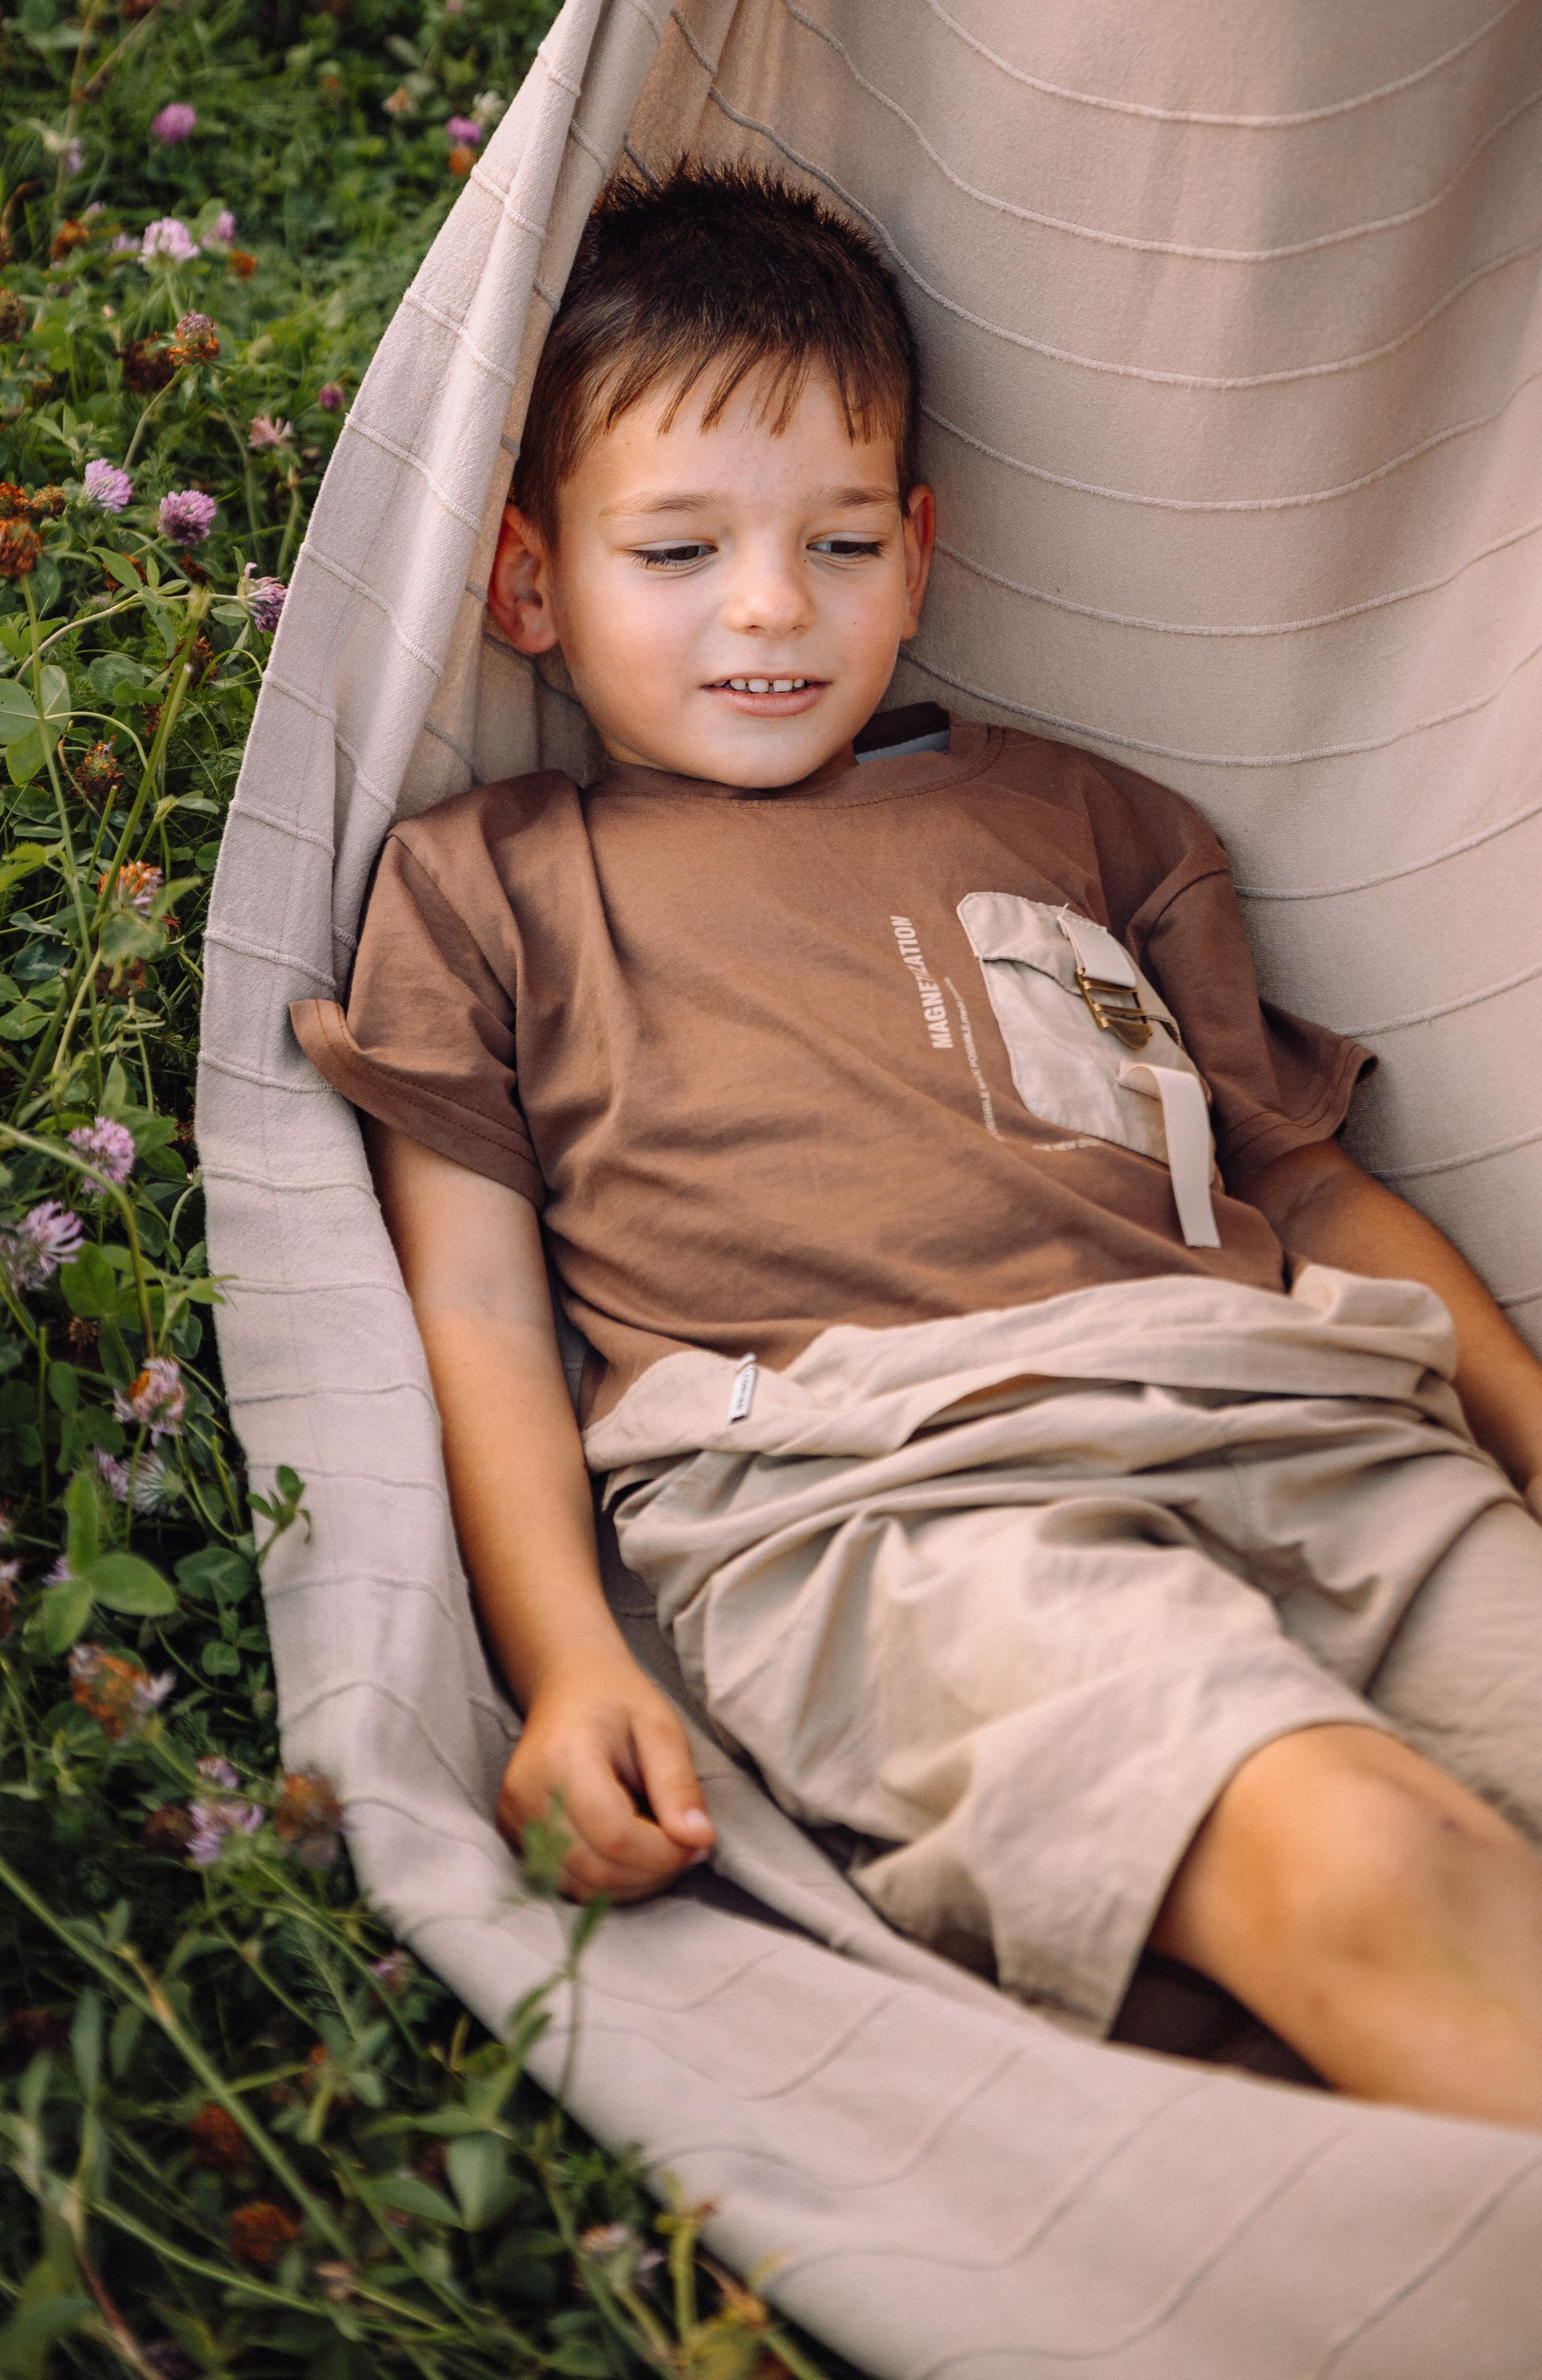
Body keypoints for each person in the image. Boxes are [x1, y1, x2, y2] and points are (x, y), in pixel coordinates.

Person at [289, 167, 1542, 2127]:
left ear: (923, 548)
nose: (771, 605)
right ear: (526, 582)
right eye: (677, 549)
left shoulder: (1096, 824)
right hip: (890, 1504)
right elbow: (469, 1297)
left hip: (1313, 1432)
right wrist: (565, 1664)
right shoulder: (491, 884)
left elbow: (1304, 1189)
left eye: (839, 540)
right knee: (1355, 1860)